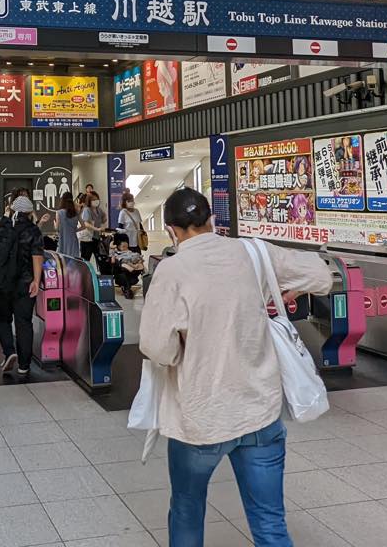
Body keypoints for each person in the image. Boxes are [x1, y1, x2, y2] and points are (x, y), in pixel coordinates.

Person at [139, 188, 332, 547]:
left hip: (201, 418)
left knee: (187, 509)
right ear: (212, 220)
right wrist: (288, 290)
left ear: (171, 230)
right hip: (259, 413)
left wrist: (184, 350)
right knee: (270, 523)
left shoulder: (172, 270)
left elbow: (156, 348)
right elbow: (321, 275)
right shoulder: (253, 252)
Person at [0, 196, 45, 376]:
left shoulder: (2, 226)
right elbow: (37, 256)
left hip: (1, 283)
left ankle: (9, 351)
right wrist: (36, 281)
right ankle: (24, 365)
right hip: (24, 284)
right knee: (23, 323)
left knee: (2, 319)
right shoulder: (33, 230)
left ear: (12, 210)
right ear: (30, 212)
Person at [109, 232, 144, 299]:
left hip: (132, 261)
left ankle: (137, 269)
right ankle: (133, 267)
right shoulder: (116, 252)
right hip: (123, 265)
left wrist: (139, 260)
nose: (125, 248)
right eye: (123, 247)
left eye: (126, 247)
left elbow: (135, 256)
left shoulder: (129, 251)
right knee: (123, 263)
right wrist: (112, 247)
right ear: (118, 246)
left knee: (139, 262)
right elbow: (113, 259)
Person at [78, 192, 105, 261]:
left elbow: (102, 220)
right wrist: (96, 229)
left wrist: (104, 218)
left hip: (96, 237)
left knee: (99, 258)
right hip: (87, 238)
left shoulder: (99, 210)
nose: (96, 201)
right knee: (86, 259)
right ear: (89, 201)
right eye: (93, 200)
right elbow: (86, 223)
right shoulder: (87, 210)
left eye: (97, 199)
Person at [55, 191, 80, 257]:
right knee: (73, 259)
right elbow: (84, 226)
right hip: (73, 240)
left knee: (63, 259)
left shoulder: (59, 212)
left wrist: (55, 225)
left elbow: (57, 229)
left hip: (63, 239)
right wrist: (75, 230)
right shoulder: (76, 212)